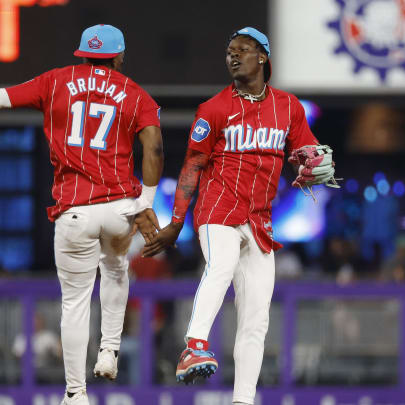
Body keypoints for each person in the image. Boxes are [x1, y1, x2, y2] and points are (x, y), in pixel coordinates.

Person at [0, 24, 163, 404]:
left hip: (75, 211)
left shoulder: (57, 81)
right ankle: (109, 349)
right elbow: (154, 147)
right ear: (119, 56)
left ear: (82, 53)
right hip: (118, 206)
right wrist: (146, 203)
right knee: (116, 270)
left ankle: (76, 393)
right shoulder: (135, 93)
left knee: (74, 304)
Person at [141, 27, 338, 404]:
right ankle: (194, 345)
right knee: (221, 265)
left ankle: (243, 399)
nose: (233, 56)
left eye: (242, 50)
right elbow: (191, 168)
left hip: (260, 221)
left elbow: (307, 149)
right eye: (230, 51)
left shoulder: (288, 107)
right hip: (218, 211)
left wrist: (315, 161)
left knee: (256, 317)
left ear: (262, 57)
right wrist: (177, 222)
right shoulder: (213, 109)